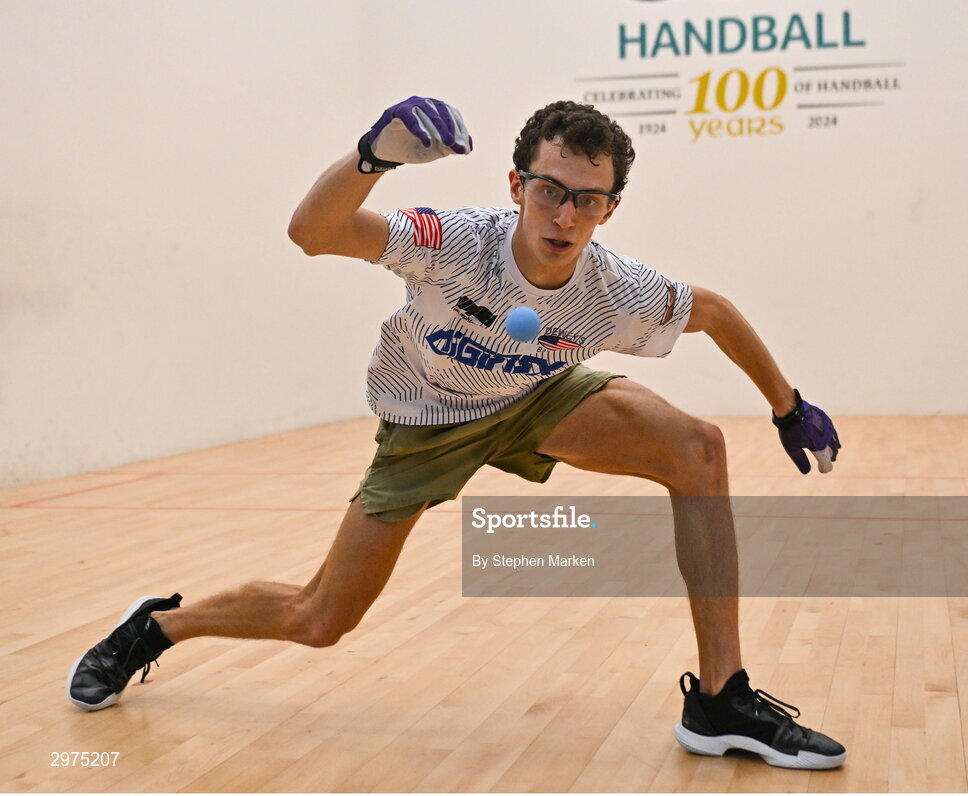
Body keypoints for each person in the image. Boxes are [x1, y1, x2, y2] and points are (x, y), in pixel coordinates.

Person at [68, 97, 844, 770]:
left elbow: (712, 312)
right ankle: (158, 626)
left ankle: (719, 700)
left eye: (587, 199)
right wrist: (374, 157)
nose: (565, 215)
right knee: (320, 618)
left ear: (611, 209)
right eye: (549, 191)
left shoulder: (617, 290)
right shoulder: (452, 243)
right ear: (517, 186)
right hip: (426, 420)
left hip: (537, 396)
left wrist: (787, 405)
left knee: (698, 449)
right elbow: (313, 231)